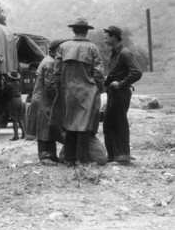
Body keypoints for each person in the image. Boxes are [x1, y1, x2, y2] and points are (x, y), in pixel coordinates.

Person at [50, 18, 104, 167]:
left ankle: (69, 160)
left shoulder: (63, 47)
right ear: (87, 31)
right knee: (84, 126)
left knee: (69, 124)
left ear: (73, 30)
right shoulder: (92, 48)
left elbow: (57, 71)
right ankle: (82, 160)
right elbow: (98, 73)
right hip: (87, 92)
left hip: (68, 92)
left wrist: (60, 88)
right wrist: (98, 88)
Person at [103, 26, 142, 164]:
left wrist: (121, 83)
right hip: (113, 92)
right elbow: (115, 73)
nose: (105, 38)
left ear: (114, 36)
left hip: (121, 92)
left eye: (107, 36)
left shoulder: (125, 53)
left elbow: (137, 72)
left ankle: (123, 157)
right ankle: (113, 156)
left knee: (119, 123)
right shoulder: (114, 53)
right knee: (108, 124)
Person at [27, 39, 66, 165]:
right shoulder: (50, 63)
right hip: (44, 100)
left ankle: (52, 154)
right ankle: (44, 156)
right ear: (56, 50)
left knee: (50, 127)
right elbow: (51, 87)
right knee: (45, 127)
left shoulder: (50, 60)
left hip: (44, 99)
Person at [4, 71, 26, 141]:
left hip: (13, 100)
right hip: (20, 99)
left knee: (14, 119)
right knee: (20, 118)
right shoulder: (18, 83)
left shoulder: (9, 85)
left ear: (10, 77)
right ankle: (24, 134)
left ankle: (16, 136)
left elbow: (4, 92)